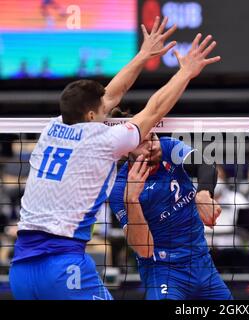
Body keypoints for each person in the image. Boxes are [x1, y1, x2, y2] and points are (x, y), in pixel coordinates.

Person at [9, 16, 221, 300]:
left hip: (21, 269)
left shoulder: (53, 127)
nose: (108, 111)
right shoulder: (105, 141)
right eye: (103, 111)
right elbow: (154, 111)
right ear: (92, 116)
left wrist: (145, 54)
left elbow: (111, 95)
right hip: (62, 265)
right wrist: (185, 73)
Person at [109, 132, 233, 300]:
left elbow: (205, 165)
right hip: (163, 269)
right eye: (142, 143)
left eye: (152, 137)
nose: (152, 145)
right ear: (125, 150)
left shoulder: (169, 147)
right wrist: (132, 200)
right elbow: (144, 250)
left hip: (201, 261)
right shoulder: (120, 189)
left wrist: (204, 193)